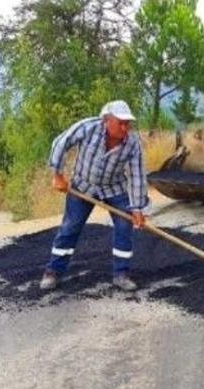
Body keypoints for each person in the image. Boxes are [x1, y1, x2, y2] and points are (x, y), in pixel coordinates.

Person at [39, 100, 149, 291]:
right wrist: (57, 175)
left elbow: (137, 174)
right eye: (120, 123)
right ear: (106, 121)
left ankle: (121, 274)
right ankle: (53, 271)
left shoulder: (131, 143)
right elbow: (61, 142)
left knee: (125, 224)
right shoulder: (87, 128)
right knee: (70, 227)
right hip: (82, 186)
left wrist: (137, 207)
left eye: (127, 123)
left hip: (114, 187)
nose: (125, 128)